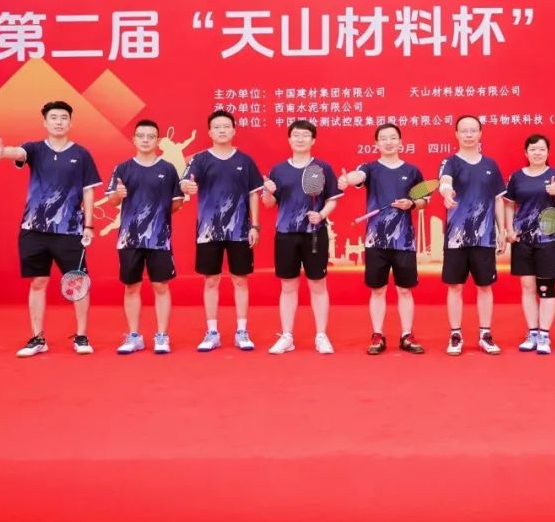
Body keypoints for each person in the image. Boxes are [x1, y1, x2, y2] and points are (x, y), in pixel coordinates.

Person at [0, 101, 101, 357]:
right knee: (38, 281)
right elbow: (18, 153)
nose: (59, 122)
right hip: (34, 229)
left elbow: (88, 191)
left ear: (70, 122)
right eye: (53, 117)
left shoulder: (82, 154)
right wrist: (3, 151)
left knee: (77, 282)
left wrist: (89, 225)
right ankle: (37, 338)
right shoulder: (35, 149)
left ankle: (81, 336)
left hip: (70, 230)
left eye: (63, 117)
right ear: (45, 122)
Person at [338, 123, 427, 355]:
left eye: (393, 137)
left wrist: (412, 203)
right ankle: (377, 335)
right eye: (384, 138)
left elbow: (424, 200)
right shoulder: (370, 168)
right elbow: (357, 176)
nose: (388, 142)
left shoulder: (413, 171)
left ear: (401, 142)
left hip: (404, 241)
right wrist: (347, 179)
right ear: (376, 144)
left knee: (405, 290)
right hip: (375, 241)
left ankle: (407, 335)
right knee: (377, 290)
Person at [181, 110, 263, 352]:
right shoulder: (200, 160)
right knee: (211, 280)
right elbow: (185, 182)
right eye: (217, 127)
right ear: (210, 132)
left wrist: (255, 225)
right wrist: (187, 186)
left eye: (226, 126)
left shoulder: (245, 161)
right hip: (208, 231)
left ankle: (242, 331)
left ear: (234, 130)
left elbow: (253, 194)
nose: (222, 130)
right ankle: (212, 332)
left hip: (240, 230)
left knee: (240, 280)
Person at [262, 120, 342, 354]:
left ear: (313, 140)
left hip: (314, 234)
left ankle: (321, 335)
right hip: (285, 234)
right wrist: (268, 192)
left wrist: (321, 215)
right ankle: (287, 336)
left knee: (318, 284)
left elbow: (333, 199)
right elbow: (269, 204)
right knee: (288, 286)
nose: (300, 139)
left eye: (305, 135)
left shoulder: (323, 168)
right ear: (289, 139)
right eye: (295, 135)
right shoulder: (278, 170)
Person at [107, 120, 184, 354]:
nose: (145, 140)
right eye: (141, 136)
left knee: (160, 285)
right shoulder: (122, 168)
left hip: (159, 239)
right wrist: (118, 195)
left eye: (151, 136)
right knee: (131, 286)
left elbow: (177, 203)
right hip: (129, 239)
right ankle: (134, 336)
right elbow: (112, 200)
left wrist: (157, 216)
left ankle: (162, 336)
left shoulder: (168, 169)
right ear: (134, 139)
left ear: (158, 141)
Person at [437, 115, 507, 355]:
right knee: (455, 286)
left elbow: (498, 199)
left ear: (480, 134)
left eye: (473, 130)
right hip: (455, 238)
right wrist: (446, 192)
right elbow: (445, 181)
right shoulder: (450, 162)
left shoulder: (490, 165)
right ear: (456, 134)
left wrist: (501, 229)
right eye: (464, 131)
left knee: (485, 287)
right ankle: (455, 334)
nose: (468, 134)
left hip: (484, 237)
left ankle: (485, 334)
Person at [504, 134, 555, 355]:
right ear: (526, 153)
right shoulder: (516, 177)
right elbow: (509, 204)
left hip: (548, 240)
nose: (537, 153)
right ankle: (532, 332)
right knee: (527, 287)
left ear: (548, 152)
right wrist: (509, 229)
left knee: (545, 287)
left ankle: (544, 335)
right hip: (522, 239)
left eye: (541, 149)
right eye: (533, 149)